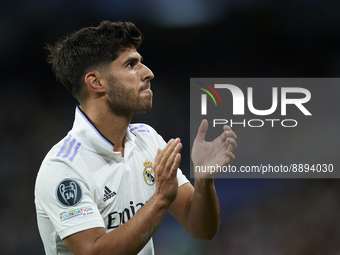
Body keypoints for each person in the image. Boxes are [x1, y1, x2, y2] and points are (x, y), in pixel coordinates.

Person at [34, 20, 237, 255]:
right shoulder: (64, 166)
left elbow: (202, 229)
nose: (148, 73)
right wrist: (160, 199)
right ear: (96, 82)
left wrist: (203, 180)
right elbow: (94, 252)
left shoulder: (147, 139)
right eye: (131, 65)